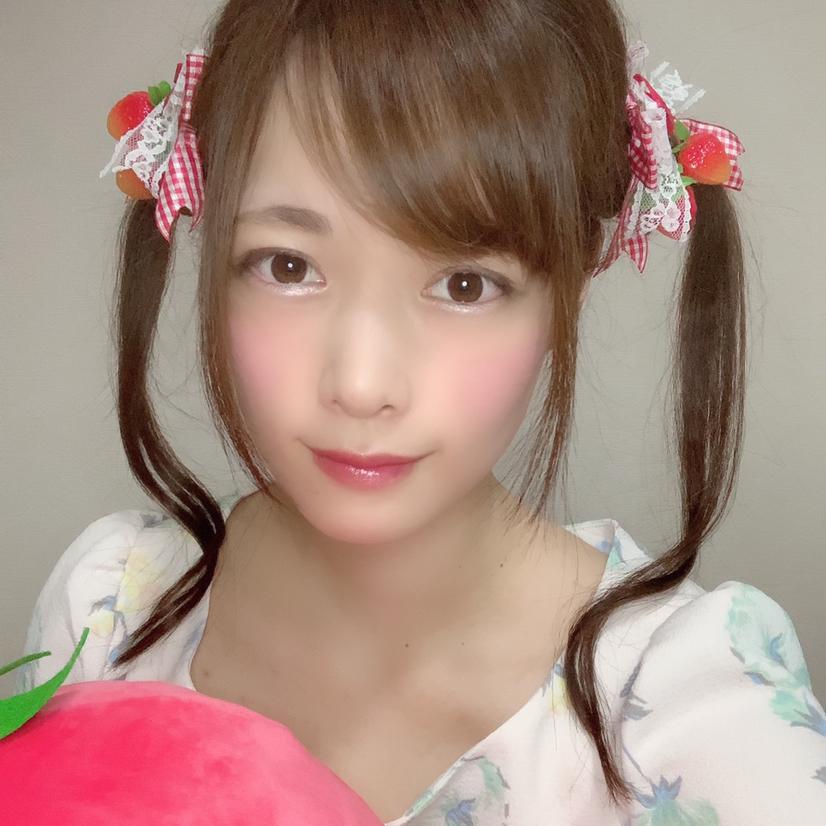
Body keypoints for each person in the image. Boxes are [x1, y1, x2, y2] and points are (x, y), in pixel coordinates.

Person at [16, 1, 826, 823]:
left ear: (573, 280)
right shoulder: (112, 616)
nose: (362, 384)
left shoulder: (692, 714)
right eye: (288, 266)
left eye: (465, 285)